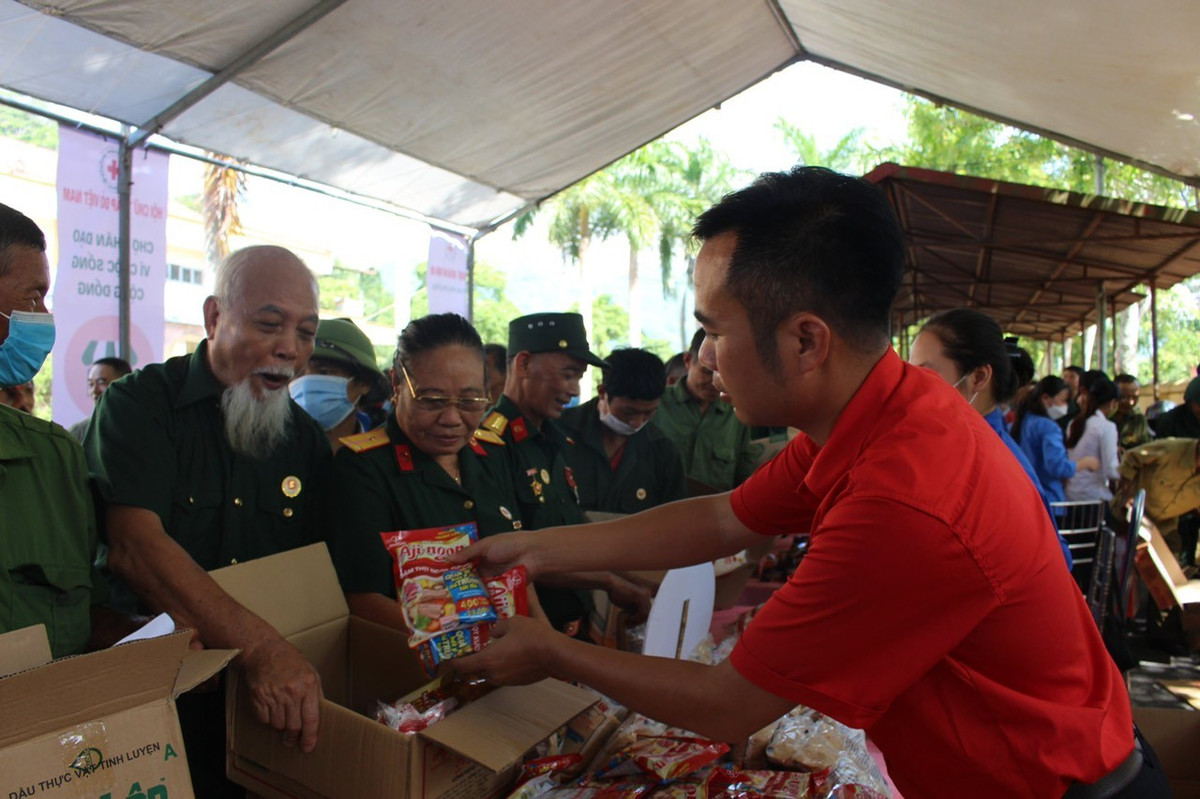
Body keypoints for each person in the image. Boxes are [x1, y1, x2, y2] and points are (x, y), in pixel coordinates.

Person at [450, 167, 1159, 799]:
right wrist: (539, 550)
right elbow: (728, 517)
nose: (707, 358)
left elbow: (729, 703)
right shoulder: (879, 409)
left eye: (715, 331)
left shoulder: (906, 496)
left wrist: (550, 651)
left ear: (805, 340)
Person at [85, 245, 334, 795]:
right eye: (270, 324)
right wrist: (263, 650)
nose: (290, 350)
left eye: (307, 333)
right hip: (153, 704)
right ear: (215, 317)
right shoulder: (140, 405)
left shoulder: (307, 442)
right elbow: (135, 548)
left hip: (260, 716)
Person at [329, 313, 526, 628]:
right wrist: (465, 650)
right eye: (432, 400)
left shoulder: (493, 454)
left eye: (470, 400)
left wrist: (542, 639)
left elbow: (517, 571)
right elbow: (361, 599)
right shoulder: (364, 468)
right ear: (396, 384)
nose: (451, 419)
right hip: (419, 662)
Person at [0, 203, 128, 657]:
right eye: (32, 297)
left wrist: (148, 638)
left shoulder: (55, 457)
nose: (44, 314)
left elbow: (85, 613)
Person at [473, 311, 649, 635]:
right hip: (534, 632)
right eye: (568, 375)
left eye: (579, 377)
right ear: (524, 364)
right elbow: (511, 558)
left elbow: (567, 529)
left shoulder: (556, 438)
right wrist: (607, 581)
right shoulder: (491, 446)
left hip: (573, 626)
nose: (574, 390)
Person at [909, 309, 1073, 567]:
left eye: (926, 375)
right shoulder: (957, 445)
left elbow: (1055, 561)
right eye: (910, 374)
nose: (913, 387)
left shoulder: (994, 458)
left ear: (978, 378)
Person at [560, 347, 686, 514]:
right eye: (629, 412)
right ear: (602, 392)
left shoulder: (661, 451)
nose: (637, 422)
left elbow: (674, 518)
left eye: (648, 412)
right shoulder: (559, 432)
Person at [652, 328, 759, 493]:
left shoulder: (737, 413)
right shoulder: (656, 406)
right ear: (687, 361)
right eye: (707, 372)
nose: (716, 382)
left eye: (726, 374)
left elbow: (745, 475)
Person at [289, 317, 385, 454]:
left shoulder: (381, 455)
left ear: (365, 382)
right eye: (298, 374)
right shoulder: (267, 452)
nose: (306, 382)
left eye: (324, 372)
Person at [1112, 437, 1200, 566]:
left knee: (1168, 570)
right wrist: (1126, 497)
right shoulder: (1171, 449)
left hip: (1163, 528)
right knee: (1119, 567)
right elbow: (1131, 457)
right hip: (1128, 518)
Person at [1011, 375, 1092, 508]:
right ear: (1046, 398)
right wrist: (1085, 463)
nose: (1065, 406)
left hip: (1022, 497)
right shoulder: (1049, 427)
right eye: (1063, 400)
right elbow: (1057, 467)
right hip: (1049, 501)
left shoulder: (1021, 422)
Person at [1065, 377, 1121, 504]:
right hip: (1094, 498)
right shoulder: (1107, 427)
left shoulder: (1074, 423)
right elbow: (1111, 470)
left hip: (1071, 495)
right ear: (1113, 403)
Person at [67, 356, 133, 441]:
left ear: (123, 384)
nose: (94, 390)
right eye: (91, 384)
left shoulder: (143, 427)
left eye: (101, 382)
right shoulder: (80, 432)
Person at [1112, 374, 1151, 451]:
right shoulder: (1102, 418)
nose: (1130, 402)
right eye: (1124, 397)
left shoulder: (1139, 421)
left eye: (1135, 397)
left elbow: (1147, 449)